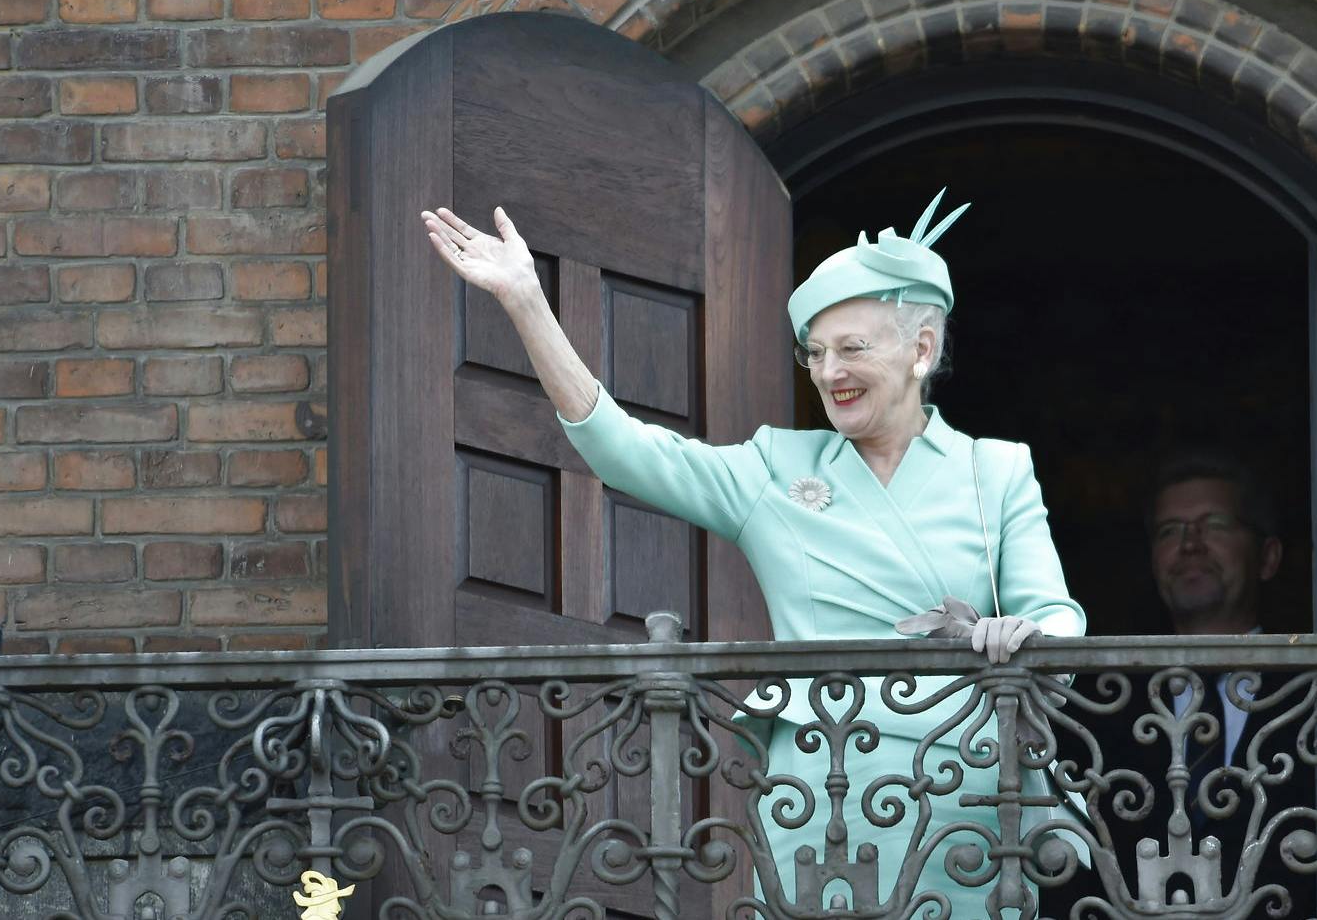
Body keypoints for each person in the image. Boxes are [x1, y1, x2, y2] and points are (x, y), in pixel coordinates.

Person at [420, 191, 1085, 918]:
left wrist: (1023, 632)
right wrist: (526, 304)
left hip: (971, 800)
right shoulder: (775, 466)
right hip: (824, 796)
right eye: (817, 352)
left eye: (853, 348)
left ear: (921, 350)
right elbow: (623, 450)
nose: (830, 371)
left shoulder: (997, 469)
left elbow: (1054, 613)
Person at [1042, 452, 1317, 918]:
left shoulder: (1313, 694)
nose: (1190, 545)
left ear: (1268, 557)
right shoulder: (1098, 701)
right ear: (1153, 561)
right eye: (1171, 531)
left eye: (1214, 525)